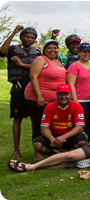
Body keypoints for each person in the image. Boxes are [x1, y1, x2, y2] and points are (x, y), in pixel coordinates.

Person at [0, 25, 40, 158]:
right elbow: (2, 51)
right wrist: (13, 32)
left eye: (32, 38)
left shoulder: (37, 53)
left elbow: (41, 67)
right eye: (26, 37)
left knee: (35, 119)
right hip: (18, 87)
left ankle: (37, 149)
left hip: (33, 87)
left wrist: (23, 65)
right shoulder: (13, 49)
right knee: (17, 118)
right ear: (21, 37)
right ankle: (16, 150)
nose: (29, 39)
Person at [25, 39, 67, 160]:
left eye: (55, 48)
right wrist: (39, 96)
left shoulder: (58, 62)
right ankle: (37, 153)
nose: (53, 50)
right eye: (50, 48)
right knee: (39, 124)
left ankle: (46, 149)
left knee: (48, 125)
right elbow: (33, 77)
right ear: (44, 50)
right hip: (38, 97)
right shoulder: (41, 59)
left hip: (52, 101)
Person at [33, 84, 88, 158]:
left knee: (82, 142)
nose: (63, 97)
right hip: (54, 136)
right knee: (37, 145)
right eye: (60, 94)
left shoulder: (77, 106)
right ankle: (55, 156)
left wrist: (63, 137)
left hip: (70, 135)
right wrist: (52, 139)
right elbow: (44, 128)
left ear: (71, 95)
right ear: (56, 95)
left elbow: (80, 127)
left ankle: (73, 155)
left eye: (66, 94)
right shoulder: (49, 107)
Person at [67, 43, 90, 141]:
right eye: (84, 52)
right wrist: (75, 102)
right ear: (79, 53)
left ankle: (89, 145)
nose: (86, 54)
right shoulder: (74, 66)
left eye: (88, 52)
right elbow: (71, 85)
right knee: (81, 125)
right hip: (81, 100)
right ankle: (79, 144)